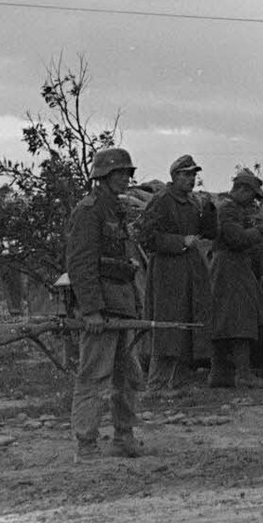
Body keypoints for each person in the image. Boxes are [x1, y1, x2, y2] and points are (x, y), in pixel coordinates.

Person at [65, 147, 145, 462]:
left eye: (127, 173)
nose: (126, 178)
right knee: (94, 376)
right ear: (104, 176)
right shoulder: (89, 211)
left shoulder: (117, 210)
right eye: (119, 173)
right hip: (102, 310)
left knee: (128, 377)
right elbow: (81, 264)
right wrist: (91, 310)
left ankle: (123, 438)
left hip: (123, 306)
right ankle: (86, 444)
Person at [139, 154, 215, 392]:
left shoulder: (194, 203)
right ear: (174, 176)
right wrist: (181, 241)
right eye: (186, 174)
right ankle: (157, 385)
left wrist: (210, 209)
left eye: (194, 175)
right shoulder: (161, 201)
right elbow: (147, 238)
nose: (191, 179)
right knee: (167, 328)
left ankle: (179, 383)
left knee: (187, 325)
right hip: (168, 274)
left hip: (190, 272)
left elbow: (210, 233)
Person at [208, 169, 263, 389]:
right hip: (230, 266)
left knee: (225, 319)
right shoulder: (228, 209)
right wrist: (258, 231)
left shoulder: (230, 209)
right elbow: (236, 238)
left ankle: (219, 374)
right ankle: (242, 375)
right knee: (240, 319)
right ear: (242, 190)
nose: (253, 201)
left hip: (230, 266)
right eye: (252, 196)